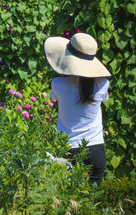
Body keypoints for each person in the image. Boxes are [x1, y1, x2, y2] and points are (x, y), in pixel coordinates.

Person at [44, 32, 111, 187]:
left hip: (69, 149)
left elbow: (53, 99)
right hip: (96, 149)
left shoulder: (58, 84)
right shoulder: (102, 84)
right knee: (91, 203)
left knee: (67, 202)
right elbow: (102, 97)